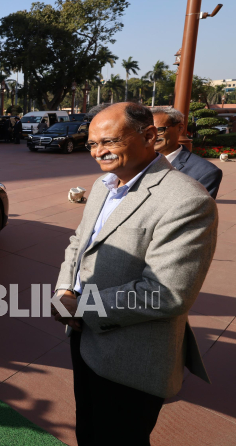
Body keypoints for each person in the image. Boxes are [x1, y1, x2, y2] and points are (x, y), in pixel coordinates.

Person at [53, 102, 217, 445]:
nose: (100, 152)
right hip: (83, 339)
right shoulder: (103, 185)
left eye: (109, 141)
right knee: (89, 431)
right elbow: (79, 243)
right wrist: (64, 291)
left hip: (133, 357)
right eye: (93, 144)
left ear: (149, 136)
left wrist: (81, 306)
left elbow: (167, 292)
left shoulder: (187, 200)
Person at [151, 106, 222, 198]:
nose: (152, 136)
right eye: (146, 131)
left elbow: (196, 210)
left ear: (180, 128)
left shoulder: (204, 172)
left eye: (159, 130)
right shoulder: (133, 162)